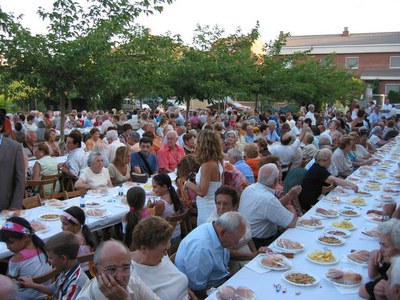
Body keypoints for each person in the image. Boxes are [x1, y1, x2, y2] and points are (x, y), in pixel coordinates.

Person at [175, 211, 247, 299]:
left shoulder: (215, 229)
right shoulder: (202, 249)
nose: (237, 243)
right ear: (223, 232)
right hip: (208, 290)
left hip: (222, 279)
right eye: (236, 239)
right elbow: (197, 289)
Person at [131, 216, 195, 300]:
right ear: (143, 249)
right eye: (164, 250)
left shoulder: (158, 255)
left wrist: (185, 288)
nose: (166, 254)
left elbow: (171, 277)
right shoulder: (130, 275)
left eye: (167, 249)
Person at [238, 164, 298, 248]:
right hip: (260, 242)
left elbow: (270, 208)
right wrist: (290, 206)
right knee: (297, 236)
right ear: (276, 180)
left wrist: (287, 196)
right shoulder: (268, 199)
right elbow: (292, 223)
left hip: (245, 238)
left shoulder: (249, 188)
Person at [77, 240, 160, 299]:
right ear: (96, 272)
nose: (120, 277)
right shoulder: (86, 297)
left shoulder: (134, 283)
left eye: (126, 267)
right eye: (112, 269)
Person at [19, 231, 89, 300]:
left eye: (50, 257)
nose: (48, 260)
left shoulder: (75, 284)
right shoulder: (65, 270)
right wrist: (31, 285)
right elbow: (52, 289)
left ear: (63, 258)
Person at [207, 186, 259, 273]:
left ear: (234, 206)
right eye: (218, 203)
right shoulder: (215, 224)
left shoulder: (238, 216)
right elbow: (227, 252)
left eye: (225, 203)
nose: (221, 207)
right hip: (233, 264)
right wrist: (252, 256)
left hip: (251, 258)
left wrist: (256, 255)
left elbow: (249, 238)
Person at [0, 217, 51, 300]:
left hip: (25, 297)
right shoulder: (42, 246)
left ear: (25, 237)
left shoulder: (16, 259)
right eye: (5, 243)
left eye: (11, 242)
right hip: (46, 293)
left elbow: (7, 283)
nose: (8, 247)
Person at [185, 129, 224, 225]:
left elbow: (202, 192)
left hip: (207, 208)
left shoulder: (208, 165)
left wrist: (188, 183)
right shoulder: (218, 161)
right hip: (213, 204)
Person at [359, 219, 400, 300]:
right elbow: (373, 275)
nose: (380, 250)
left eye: (385, 245)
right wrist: (372, 259)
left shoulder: (396, 272)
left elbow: (363, 291)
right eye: (380, 244)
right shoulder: (390, 260)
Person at [0, 109, 25, 211]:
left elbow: (20, 179)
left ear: (1, 126)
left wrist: (15, 205)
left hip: (4, 205)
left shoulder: (14, 147)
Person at [61, 207, 94, 274]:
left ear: (76, 225)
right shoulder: (84, 233)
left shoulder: (72, 241)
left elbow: (66, 263)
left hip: (79, 273)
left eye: (65, 224)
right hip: (89, 269)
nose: (62, 227)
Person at [152, 174, 183, 244]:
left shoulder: (161, 204)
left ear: (164, 187)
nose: (153, 190)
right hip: (177, 234)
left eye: (155, 187)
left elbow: (153, 222)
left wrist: (150, 208)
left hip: (167, 238)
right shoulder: (174, 196)